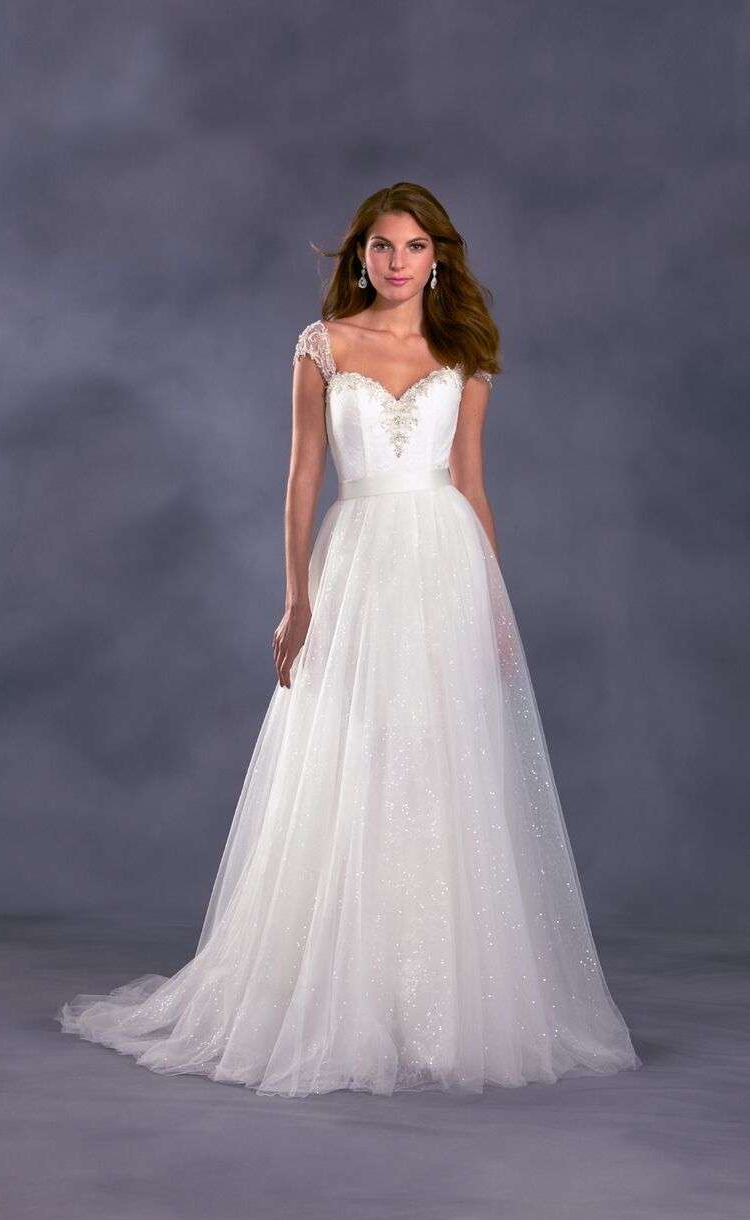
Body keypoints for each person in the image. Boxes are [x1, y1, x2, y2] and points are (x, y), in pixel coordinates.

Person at [57, 182, 642, 1098]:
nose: (396, 262)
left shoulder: (464, 351)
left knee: (440, 764)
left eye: (413, 247)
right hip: (359, 563)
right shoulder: (322, 345)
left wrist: (495, 606)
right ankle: (345, 994)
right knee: (352, 758)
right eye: (381, 246)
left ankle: (435, 1001)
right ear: (359, 256)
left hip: (446, 564)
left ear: (437, 258)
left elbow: (471, 482)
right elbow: (302, 479)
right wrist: (297, 599)